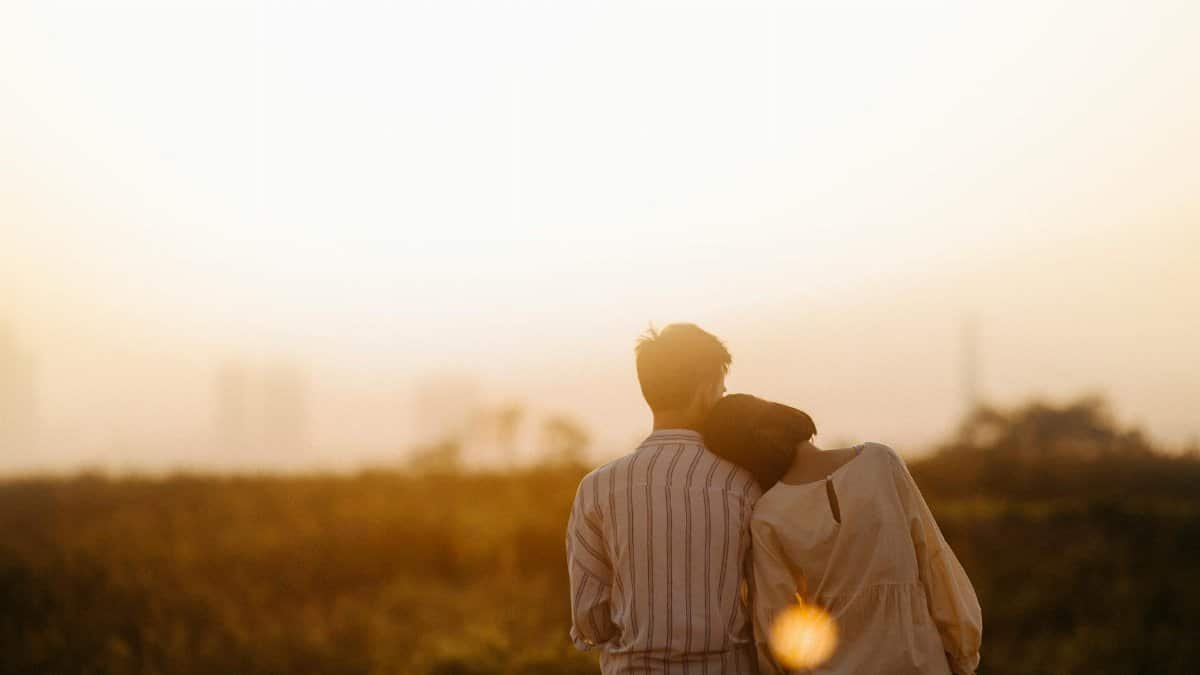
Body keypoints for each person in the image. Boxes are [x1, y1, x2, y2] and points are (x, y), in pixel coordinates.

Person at [703, 394, 983, 675]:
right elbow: (935, 562)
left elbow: (775, 622)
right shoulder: (880, 462)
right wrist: (963, 655)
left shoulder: (768, 514)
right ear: (784, 416)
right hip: (921, 662)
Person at [566, 324, 763, 674]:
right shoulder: (743, 483)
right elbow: (769, 600)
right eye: (721, 388)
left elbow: (589, 620)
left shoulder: (596, 487)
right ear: (705, 392)